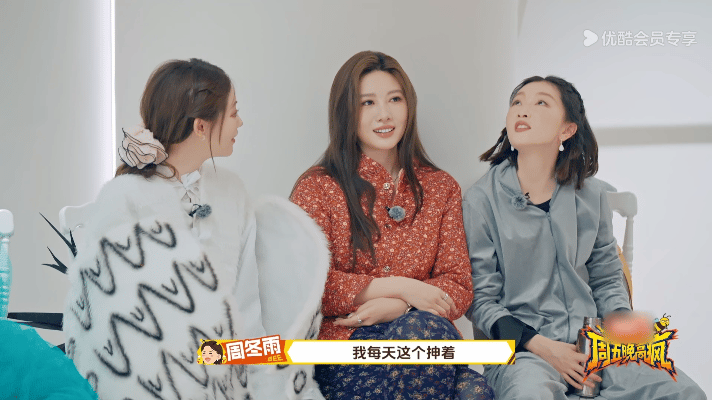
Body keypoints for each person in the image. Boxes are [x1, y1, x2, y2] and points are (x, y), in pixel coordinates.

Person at [63, 58, 328, 400]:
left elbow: (246, 307)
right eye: (233, 113)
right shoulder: (124, 198)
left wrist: (260, 379)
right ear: (201, 127)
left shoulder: (230, 190)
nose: (240, 122)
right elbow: (114, 326)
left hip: (224, 368)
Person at [463, 75, 706, 399]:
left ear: (567, 129)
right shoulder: (481, 200)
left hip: (598, 344)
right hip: (525, 353)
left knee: (684, 392)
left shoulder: (591, 194)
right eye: (517, 102)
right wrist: (543, 347)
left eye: (540, 102)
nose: (522, 110)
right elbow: (480, 299)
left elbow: (607, 278)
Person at [291, 50, 494, 400]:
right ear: (346, 112)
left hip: (426, 341)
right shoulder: (318, 187)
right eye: (367, 103)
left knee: (466, 383)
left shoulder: (441, 187)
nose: (384, 114)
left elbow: (458, 285)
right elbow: (311, 286)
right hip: (347, 348)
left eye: (395, 99)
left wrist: (403, 306)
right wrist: (401, 287)